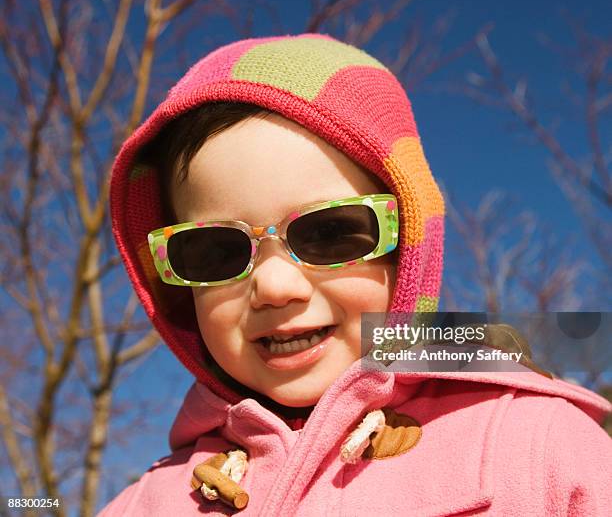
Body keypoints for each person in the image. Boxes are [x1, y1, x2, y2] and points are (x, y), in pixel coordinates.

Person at [101, 34, 611, 516]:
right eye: (214, 251)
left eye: (329, 233)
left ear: (409, 243)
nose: (275, 287)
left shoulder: (536, 445)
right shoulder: (147, 501)